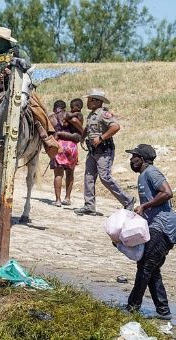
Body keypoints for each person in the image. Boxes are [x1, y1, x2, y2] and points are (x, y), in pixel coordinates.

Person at [0, 26, 60, 159]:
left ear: (3, 40)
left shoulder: (19, 52)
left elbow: (28, 66)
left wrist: (13, 68)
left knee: (38, 109)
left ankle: (47, 137)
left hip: (21, 89)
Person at [125, 144, 176, 320]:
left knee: (145, 266)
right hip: (155, 226)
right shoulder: (143, 176)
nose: (131, 160)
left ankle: (132, 307)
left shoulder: (151, 172)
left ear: (143, 159)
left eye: (134, 156)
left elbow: (167, 193)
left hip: (163, 227)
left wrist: (145, 205)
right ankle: (163, 311)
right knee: (152, 269)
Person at [74, 89, 135, 215]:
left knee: (105, 177)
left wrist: (101, 138)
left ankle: (128, 200)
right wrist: (83, 136)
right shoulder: (92, 114)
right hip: (93, 151)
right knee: (89, 177)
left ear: (97, 101)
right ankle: (89, 206)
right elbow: (88, 127)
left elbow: (116, 126)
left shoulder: (104, 114)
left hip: (104, 151)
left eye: (90, 100)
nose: (88, 102)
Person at [49, 99, 84, 206]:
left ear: (55, 108)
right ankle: (67, 198)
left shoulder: (51, 117)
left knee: (58, 173)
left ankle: (58, 200)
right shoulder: (72, 116)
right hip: (72, 146)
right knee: (70, 173)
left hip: (59, 146)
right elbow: (79, 131)